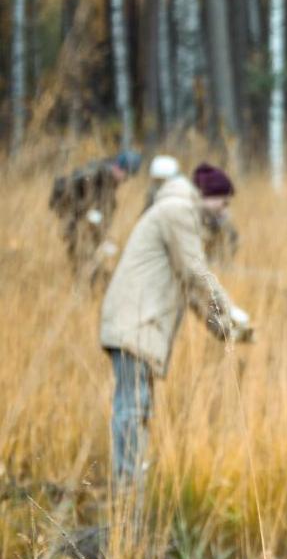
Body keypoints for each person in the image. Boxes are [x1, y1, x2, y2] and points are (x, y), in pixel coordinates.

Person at [97, 162, 251, 487]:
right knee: (132, 407)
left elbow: (191, 290)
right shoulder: (178, 210)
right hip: (135, 322)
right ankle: (126, 485)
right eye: (223, 203)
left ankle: (131, 481)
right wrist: (230, 308)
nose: (224, 212)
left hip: (140, 324)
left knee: (138, 406)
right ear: (209, 196)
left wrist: (224, 328)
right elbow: (197, 271)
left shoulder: (178, 212)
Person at [51, 149, 141, 281]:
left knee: (87, 264)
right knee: (86, 263)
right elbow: (75, 197)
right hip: (79, 228)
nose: (125, 180)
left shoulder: (108, 179)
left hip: (89, 231)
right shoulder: (95, 175)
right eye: (126, 175)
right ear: (119, 167)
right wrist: (88, 215)